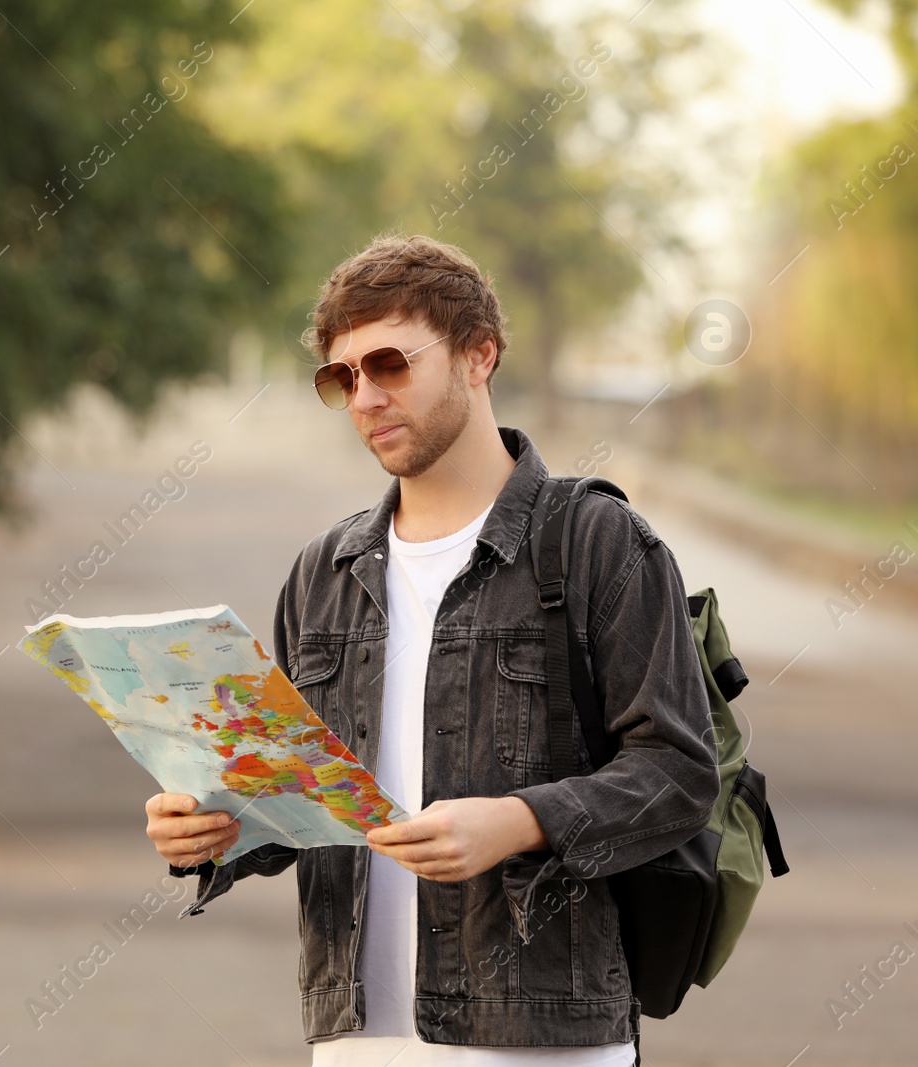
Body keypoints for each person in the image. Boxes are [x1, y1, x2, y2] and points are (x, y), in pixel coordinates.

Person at [144, 234, 719, 1064]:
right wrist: (215, 823)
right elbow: (306, 795)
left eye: (390, 364)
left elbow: (678, 772)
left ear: (479, 356)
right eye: (342, 377)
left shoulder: (598, 542)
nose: (365, 397)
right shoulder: (325, 570)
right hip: (357, 1039)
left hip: (545, 1040)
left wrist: (519, 821)